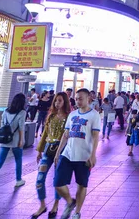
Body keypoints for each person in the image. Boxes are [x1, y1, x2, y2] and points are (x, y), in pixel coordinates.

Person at [54, 88, 100, 219]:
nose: (78, 101)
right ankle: (70, 202)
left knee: (82, 184)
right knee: (58, 183)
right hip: (68, 154)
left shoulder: (94, 115)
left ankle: (77, 212)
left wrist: (93, 155)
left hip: (84, 156)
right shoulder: (72, 114)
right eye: (76, 98)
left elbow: (96, 136)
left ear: (88, 99)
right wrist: (58, 153)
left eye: (80, 98)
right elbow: (66, 134)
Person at [32, 92, 71, 219]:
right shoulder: (51, 116)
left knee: (57, 180)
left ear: (65, 102)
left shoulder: (69, 117)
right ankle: (42, 205)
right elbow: (44, 133)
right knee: (39, 178)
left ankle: (56, 204)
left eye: (60, 101)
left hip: (62, 151)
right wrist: (39, 150)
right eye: (55, 101)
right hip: (48, 150)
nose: (57, 103)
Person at [0, 93, 27, 194]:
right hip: (16, 140)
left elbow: (2, 125)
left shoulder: (6, 111)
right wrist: (21, 140)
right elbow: (21, 127)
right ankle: (18, 180)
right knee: (18, 160)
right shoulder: (22, 112)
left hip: (5, 139)